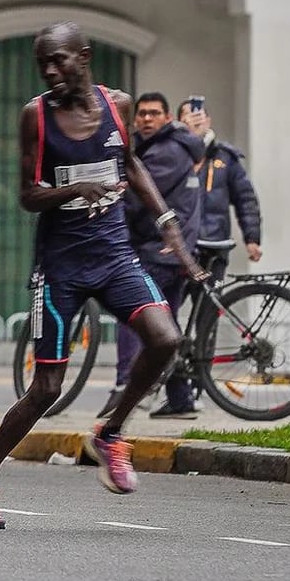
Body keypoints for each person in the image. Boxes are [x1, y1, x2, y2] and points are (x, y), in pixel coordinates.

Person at [0, 21, 208, 530]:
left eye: (60, 60)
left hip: (114, 257)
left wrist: (167, 224)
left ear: (84, 57)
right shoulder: (36, 117)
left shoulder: (119, 106)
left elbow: (131, 164)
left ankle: (109, 434)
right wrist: (71, 192)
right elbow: (26, 195)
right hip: (60, 268)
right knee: (47, 387)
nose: (51, 71)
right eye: (42, 63)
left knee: (165, 338)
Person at [96, 92, 205, 420]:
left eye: (153, 113)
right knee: (165, 323)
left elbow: (137, 197)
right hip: (167, 250)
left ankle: (124, 383)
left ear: (168, 118)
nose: (145, 118)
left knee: (135, 316)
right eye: (141, 113)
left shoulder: (167, 151)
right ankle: (180, 396)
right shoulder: (163, 147)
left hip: (161, 250)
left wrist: (107, 211)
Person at [176, 97, 263, 285]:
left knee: (209, 306)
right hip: (181, 245)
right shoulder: (172, 155)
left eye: (200, 114)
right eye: (189, 115)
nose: (196, 119)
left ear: (209, 120)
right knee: (168, 306)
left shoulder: (225, 157)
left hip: (214, 245)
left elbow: (245, 199)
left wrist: (252, 239)